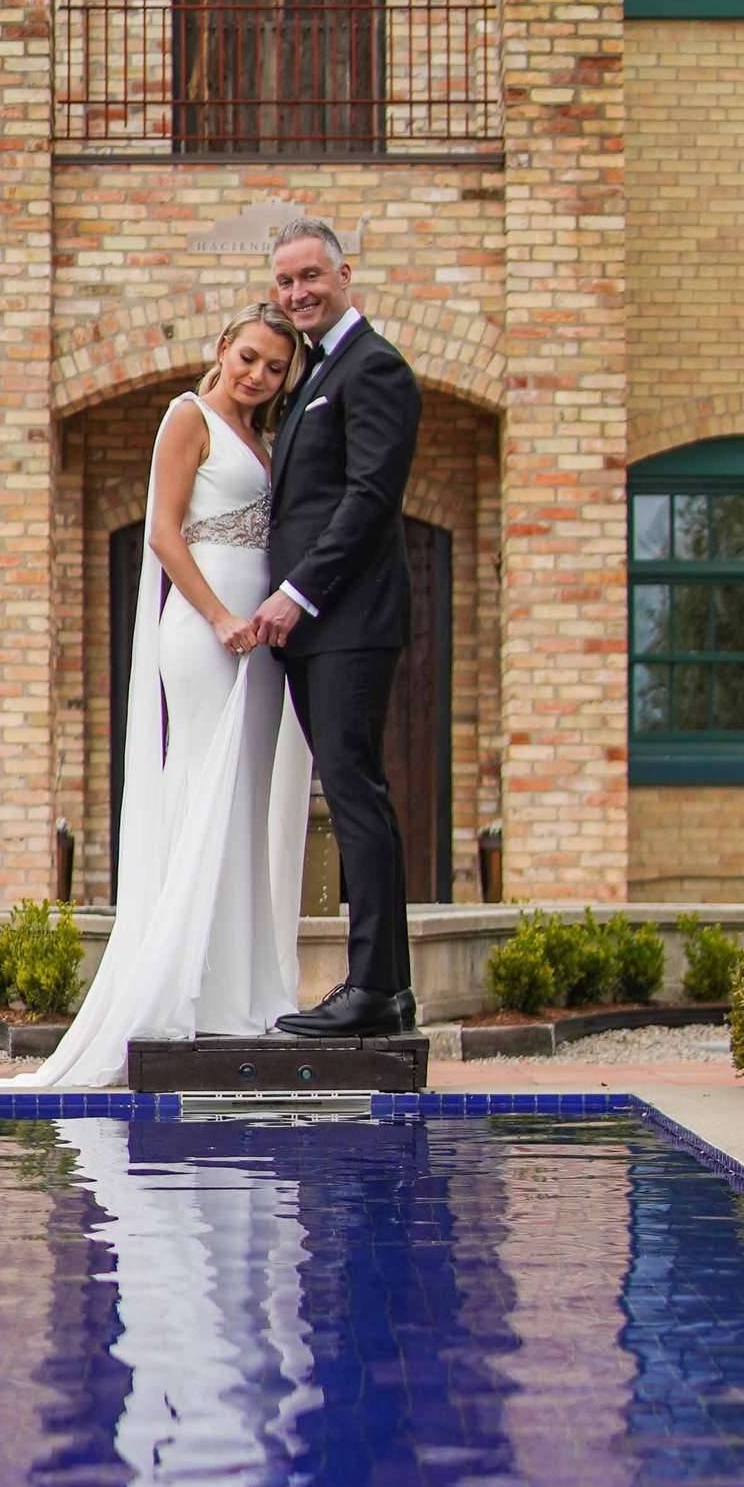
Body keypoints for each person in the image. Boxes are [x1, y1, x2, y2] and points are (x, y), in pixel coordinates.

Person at [0, 308, 313, 1090]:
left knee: (245, 801)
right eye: (248, 358)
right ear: (222, 349)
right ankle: (183, 989)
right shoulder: (188, 416)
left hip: (259, 639)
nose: (258, 376)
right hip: (206, 629)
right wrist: (221, 616)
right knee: (204, 788)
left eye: (274, 368)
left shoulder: (265, 437)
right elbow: (165, 535)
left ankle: (240, 990)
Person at [255, 214, 424, 1039]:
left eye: (310, 277)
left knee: (356, 795)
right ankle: (386, 993)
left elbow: (367, 501)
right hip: (320, 627)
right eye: (286, 283)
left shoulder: (375, 367)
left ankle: (372, 990)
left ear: (345, 273)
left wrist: (297, 592)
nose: (298, 294)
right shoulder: (316, 372)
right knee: (356, 793)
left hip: (347, 620)